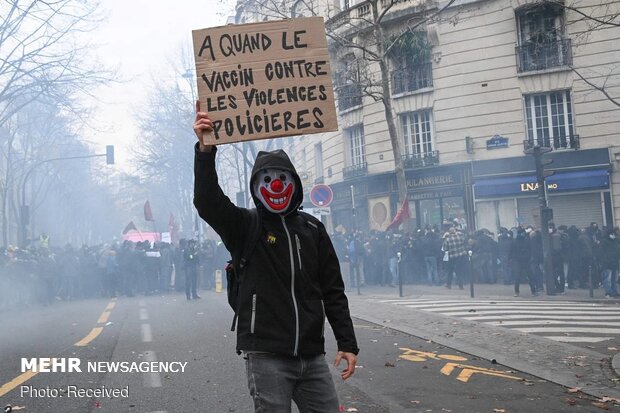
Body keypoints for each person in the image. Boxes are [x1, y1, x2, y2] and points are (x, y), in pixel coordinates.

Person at [193, 106, 358, 412]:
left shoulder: (313, 229)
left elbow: (333, 290)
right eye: (267, 180)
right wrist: (205, 151)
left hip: (311, 357)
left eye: (282, 178)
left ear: (294, 183)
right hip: (267, 357)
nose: (276, 186)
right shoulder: (244, 226)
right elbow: (207, 201)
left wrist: (347, 343)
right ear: (257, 186)